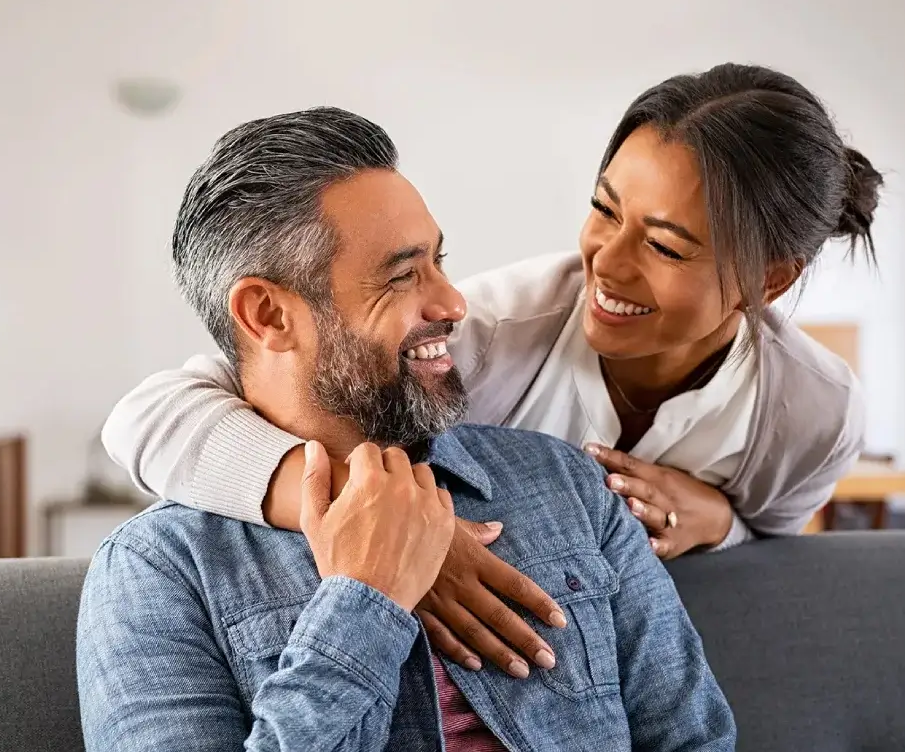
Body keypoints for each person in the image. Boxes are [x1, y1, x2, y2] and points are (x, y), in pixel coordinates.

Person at [101, 63, 881, 678]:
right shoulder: (488, 332)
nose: (605, 262)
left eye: (666, 246)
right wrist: (385, 524)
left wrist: (721, 522)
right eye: (604, 209)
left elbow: (776, 549)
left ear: (768, 281)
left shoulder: (814, 413)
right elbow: (150, 416)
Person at [76, 107, 736, 751]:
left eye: (441, 262)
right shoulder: (158, 571)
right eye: (402, 276)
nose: (452, 303)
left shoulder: (569, 485)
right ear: (269, 314)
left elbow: (695, 738)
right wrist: (363, 603)